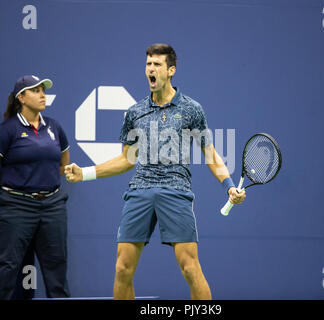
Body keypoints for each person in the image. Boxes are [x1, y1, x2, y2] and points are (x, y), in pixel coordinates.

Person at [65, 43, 245, 300]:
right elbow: (127, 159)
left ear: (171, 70)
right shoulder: (135, 112)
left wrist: (228, 184)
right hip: (139, 190)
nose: (151, 69)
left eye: (157, 64)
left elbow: (211, 155)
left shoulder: (192, 109)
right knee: (122, 268)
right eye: (148, 64)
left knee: (189, 268)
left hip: (176, 190)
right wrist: (85, 173)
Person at [0, 75, 70, 299]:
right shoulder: (8, 130)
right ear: (21, 97)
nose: (42, 95)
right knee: (8, 267)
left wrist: (41, 183)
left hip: (52, 206)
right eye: (36, 90)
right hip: (15, 206)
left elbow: (63, 163)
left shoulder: (54, 127)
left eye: (43, 90)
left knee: (56, 268)